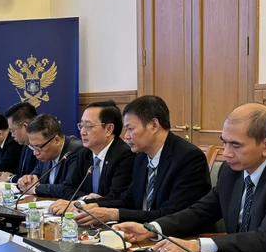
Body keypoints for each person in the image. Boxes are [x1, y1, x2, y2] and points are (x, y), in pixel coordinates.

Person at [116, 103, 266, 252]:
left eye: (236, 145)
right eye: (224, 142)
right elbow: (200, 212)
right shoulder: (232, 169)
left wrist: (198, 245)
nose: (226, 153)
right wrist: (151, 228)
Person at [73, 95, 210, 225]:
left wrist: (114, 214)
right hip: (144, 233)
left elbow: (173, 214)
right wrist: (91, 206)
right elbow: (128, 199)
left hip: (179, 239)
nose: (126, 136)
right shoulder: (142, 157)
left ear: (154, 125)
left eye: (130, 129)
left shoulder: (189, 158)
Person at [47, 101, 136, 209]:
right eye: (81, 125)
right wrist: (84, 199)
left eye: (88, 126)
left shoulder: (125, 156)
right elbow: (68, 188)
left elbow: (117, 198)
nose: (82, 132)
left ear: (109, 129)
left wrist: (85, 204)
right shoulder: (83, 153)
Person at [15, 114, 84, 197]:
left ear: (57, 140)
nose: (35, 152)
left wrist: (35, 188)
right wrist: (26, 180)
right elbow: (35, 176)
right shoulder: (45, 154)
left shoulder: (76, 151)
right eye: (32, 146)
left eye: (38, 147)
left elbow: (69, 189)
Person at [0, 101, 38, 181]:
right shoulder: (26, 144)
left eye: (13, 131)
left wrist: (10, 178)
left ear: (25, 127)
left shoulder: (41, 147)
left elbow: (35, 178)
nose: (12, 135)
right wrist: (1, 174)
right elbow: (23, 173)